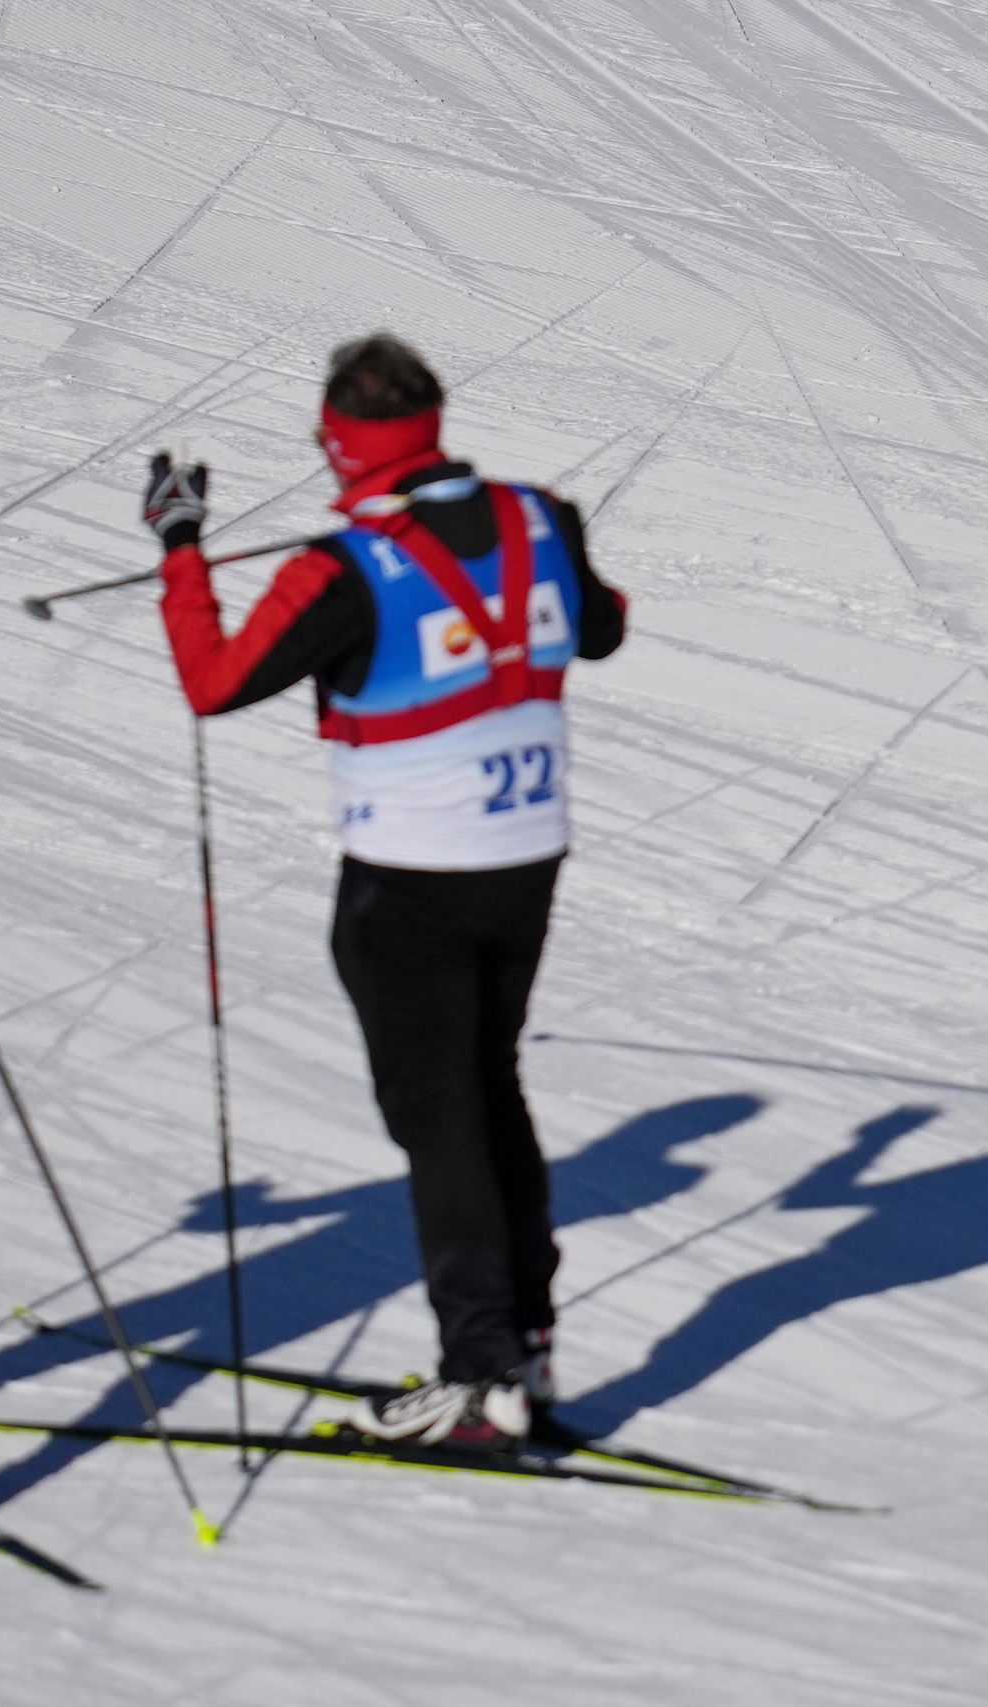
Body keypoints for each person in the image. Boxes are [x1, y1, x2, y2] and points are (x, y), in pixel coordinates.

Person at [144, 335, 626, 1447]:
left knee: (440, 1121)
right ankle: (526, 1351)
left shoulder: (345, 567)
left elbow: (212, 683)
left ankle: (481, 1377)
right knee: (489, 1090)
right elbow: (601, 631)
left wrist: (180, 541)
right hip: (526, 859)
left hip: (409, 880)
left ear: (338, 443)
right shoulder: (540, 515)